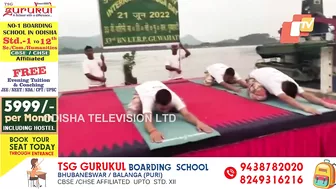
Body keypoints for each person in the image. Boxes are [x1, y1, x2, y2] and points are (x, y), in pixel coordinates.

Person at [127, 81, 213, 143]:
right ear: (155, 103)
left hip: (158, 86)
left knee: (180, 106)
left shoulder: (174, 98)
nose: (164, 109)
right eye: (162, 107)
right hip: (144, 89)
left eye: (166, 107)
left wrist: (198, 122)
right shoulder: (148, 99)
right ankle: (138, 104)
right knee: (133, 111)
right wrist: (153, 131)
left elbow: (186, 114)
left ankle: (167, 107)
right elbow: (147, 120)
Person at [247, 67, 336, 114]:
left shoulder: (292, 83)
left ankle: (270, 91)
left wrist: (325, 103)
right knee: (261, 96)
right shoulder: (275, 86)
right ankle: (249, 85)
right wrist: (305, 108)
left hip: (270, 71)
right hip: (256, 75)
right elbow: (287, 99)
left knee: (274, 93)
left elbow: (306, 95)